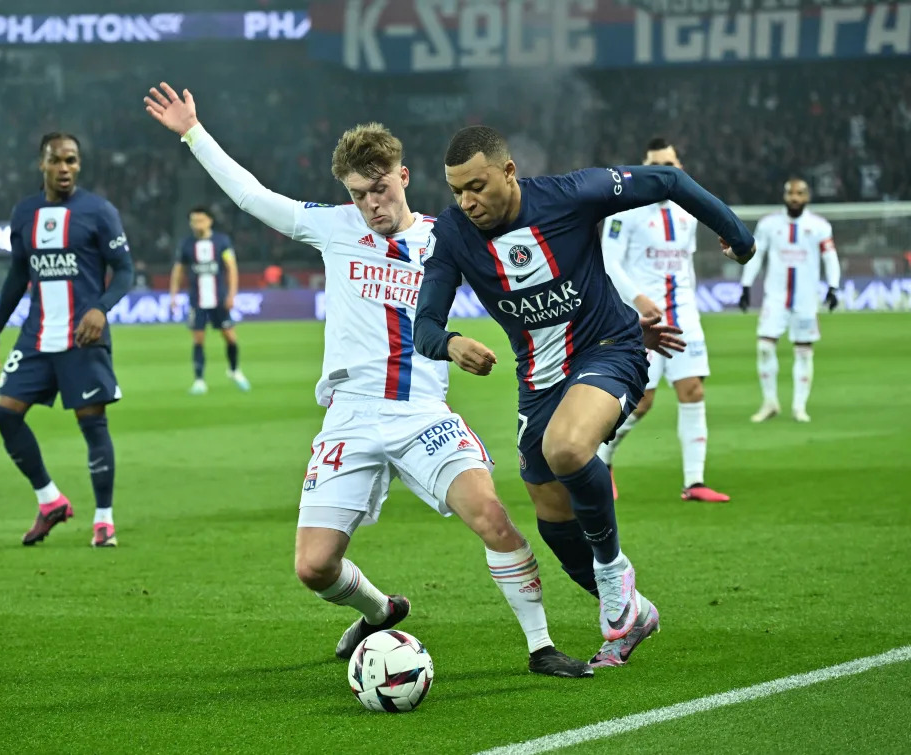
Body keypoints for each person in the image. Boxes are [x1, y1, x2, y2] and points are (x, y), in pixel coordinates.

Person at [144, 82, 593, 677]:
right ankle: (381, 610)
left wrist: (609, 315)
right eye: (358, 195)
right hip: (351, 417)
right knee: (314, 568)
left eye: (379, 189)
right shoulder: (333, 228)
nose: (371, 205)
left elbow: (534, 274)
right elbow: (252, 197)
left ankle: (541, 647)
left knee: (492, 517)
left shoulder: (448, 237)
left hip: (423, 415)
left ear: (403, 176)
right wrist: (193, 134)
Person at [414, 126, 755, 666]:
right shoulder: (454, 235)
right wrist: (451, 343)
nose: (466, 202)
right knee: (551, 514)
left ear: (508, 172)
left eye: (476, 186)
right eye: (457, 191)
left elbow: (667, 179)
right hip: (538, 383)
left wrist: (737, 235)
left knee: (568, 449)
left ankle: (614, 573)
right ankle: (630, 612)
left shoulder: (571, 196)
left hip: (610, 348)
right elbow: (424, 325)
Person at [0, 132, 134, 548]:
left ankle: (104, 520)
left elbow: (124, 271)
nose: (65, 168)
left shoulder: (99, 211)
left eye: (72, 160)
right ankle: (50, 501)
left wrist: (101, 308)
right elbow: (16, 276)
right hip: (36, 335)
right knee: (5, 413)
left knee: (92, 425)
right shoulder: (24, 213)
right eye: (56, 160)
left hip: (82, 336)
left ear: (78, 165)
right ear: (41, 164)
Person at [598, 138, 729, 503]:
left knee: (693, 392)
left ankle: (695, 482)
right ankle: (602, 460)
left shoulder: (688, 212)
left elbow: (685, 264)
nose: (664, 171)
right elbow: (609, 263)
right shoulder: (623, 211)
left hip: (684, 313)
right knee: (641, 402)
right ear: (644, 169)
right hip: (643, 321)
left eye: (670, 164)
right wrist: (638, 300)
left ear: (680, 168)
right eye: (656, 164)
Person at [739, 178, 840, 423]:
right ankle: (770, 402)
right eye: (791, 193)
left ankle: (799, 406)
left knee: (804, 353)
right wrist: (745, 285)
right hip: (775, 297)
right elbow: (756, 254)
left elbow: (830, 258)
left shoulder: (819, 226)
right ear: (784, 196)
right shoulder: (768, 224)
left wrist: (834, 287)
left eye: (800, 194)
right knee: (764, 347)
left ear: (807, 197)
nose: (795, 198)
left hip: (806, 299)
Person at [169, 206, 250, 394]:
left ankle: (234, 370)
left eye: (200, 220)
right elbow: (178, 270)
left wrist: (231, 294)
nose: (197, 224)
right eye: (193, 221)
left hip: (219, 299)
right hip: (196, 300)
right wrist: (173, 295)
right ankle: (199, 380)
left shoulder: (222, 241)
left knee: (230, 337)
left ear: (209, 221)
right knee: (198, 339)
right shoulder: (186, 244)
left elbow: (231, 268)